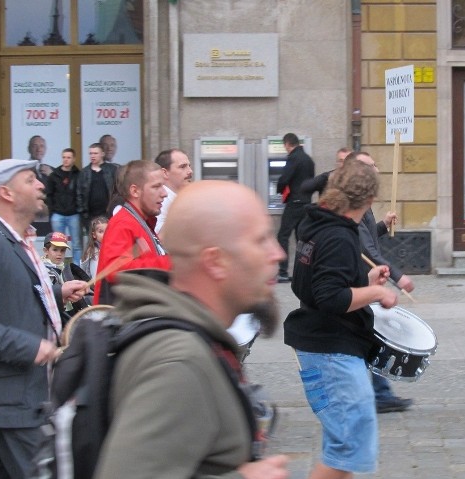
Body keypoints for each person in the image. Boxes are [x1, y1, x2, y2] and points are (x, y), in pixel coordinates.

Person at [95, 180, 289, 479]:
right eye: (261, 240)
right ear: (215, 261)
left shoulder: (196, 342)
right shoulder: (179, 362)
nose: (278, 254)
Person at [0, 159, 89, 478]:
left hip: (15, 394)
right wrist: (29, 346)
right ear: (6, 192)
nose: (40, 185)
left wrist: (57, 290)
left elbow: (14, 287)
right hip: (9, 395)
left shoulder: (14, 239)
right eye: (30, 180)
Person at [284, 158, 398, 479]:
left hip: (325, 346)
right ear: (371, 200)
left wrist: (366, 278)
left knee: (346, 448)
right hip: (331, 352)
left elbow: (306, 283)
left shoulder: (317, 225)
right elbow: (331, 298)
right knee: (347, 450)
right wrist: (376, 294)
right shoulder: (338, 235)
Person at [352, 151, 415, 414]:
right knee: (373, 336)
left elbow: (367, 237)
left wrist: (381, 224)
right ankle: (377, 394)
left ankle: (378, 392)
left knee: (371, 336)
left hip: (365, 280)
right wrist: (399, 277)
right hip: (360, 282)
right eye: (371, 166)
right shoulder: (354, 205)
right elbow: (368, 251)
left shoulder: (363, 204)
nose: (377, 169)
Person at [93, 160, 170, 305]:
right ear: (134, 191)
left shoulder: (139, 221)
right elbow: (115, 271)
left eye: (163, 186)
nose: (164, 193)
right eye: (156, 186)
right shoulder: (123, 223)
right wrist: (171, 263)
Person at [275, 133, 315, 283]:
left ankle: (283, 272)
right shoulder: (309, 160)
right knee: (302, 238)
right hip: (306, 202)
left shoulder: (293, 157)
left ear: (287, 144)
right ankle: (303, 272)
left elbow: (285, 178)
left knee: (283, 236)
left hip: (295, 202)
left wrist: (278, 189)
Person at [46, 148, 82, 262]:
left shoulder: (78, 175)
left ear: (74, 159)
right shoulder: (54, 175)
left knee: (76, 244)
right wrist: (52, 210)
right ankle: (58, 266)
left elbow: (81, 193)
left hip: (74, 214)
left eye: (69, 157)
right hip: (58, 214)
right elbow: (49, 194)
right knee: (58, 243)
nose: (66, 160)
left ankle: (77, 268)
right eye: (64, 157)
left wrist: (79, 209)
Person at [77, 143, 118, 233]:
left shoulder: (112, 170)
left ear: (102, 154)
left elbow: (117, 190)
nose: (92, 156)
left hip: (108, 213)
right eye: (91, 153)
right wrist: (83, 213)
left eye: (95, 153)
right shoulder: (84, 172)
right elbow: (79, 193)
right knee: (93, 241)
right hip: (90, 215)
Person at [153, 148, 193, 234]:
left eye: (189, 166)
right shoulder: (159, 200)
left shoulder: (183, 198)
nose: (190, 171)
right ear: (165, 173)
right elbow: (159, 236)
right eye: (182, 167)